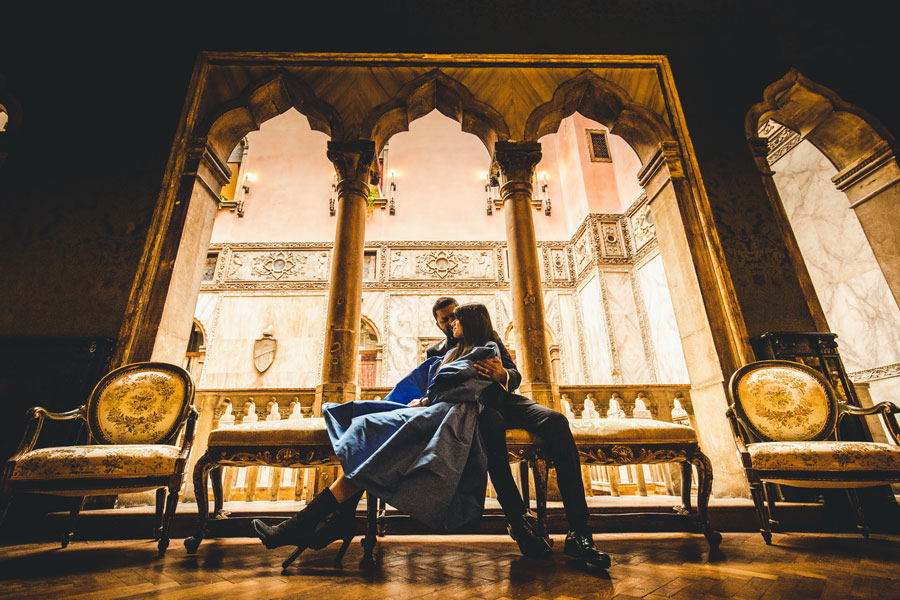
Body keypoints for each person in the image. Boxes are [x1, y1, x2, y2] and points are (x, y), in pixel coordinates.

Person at [252, 303, 501, 565]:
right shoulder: (452, 352)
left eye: (457, 320)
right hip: (435, 413)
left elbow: (465, 387)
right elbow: (430, 381)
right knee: (367, 433)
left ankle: (304, 526)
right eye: (448, 320)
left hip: (447, 421)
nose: (452, 324)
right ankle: (325, 523)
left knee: (370, 431)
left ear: (471, 323)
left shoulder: (485, 351)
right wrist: (425, 397)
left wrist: (428, 400)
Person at [427, 297, 610, 568]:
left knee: (557, 422)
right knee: (490, 433)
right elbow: (432, 386)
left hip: (508, 402)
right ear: (438, 323)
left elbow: (516, 375)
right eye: (445, 319)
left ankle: (579, 532)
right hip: (477, 410)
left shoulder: (490, 338)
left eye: (455, 315)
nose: (451, 321)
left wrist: (502, 374)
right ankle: (518, 522)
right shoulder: (437, 351)